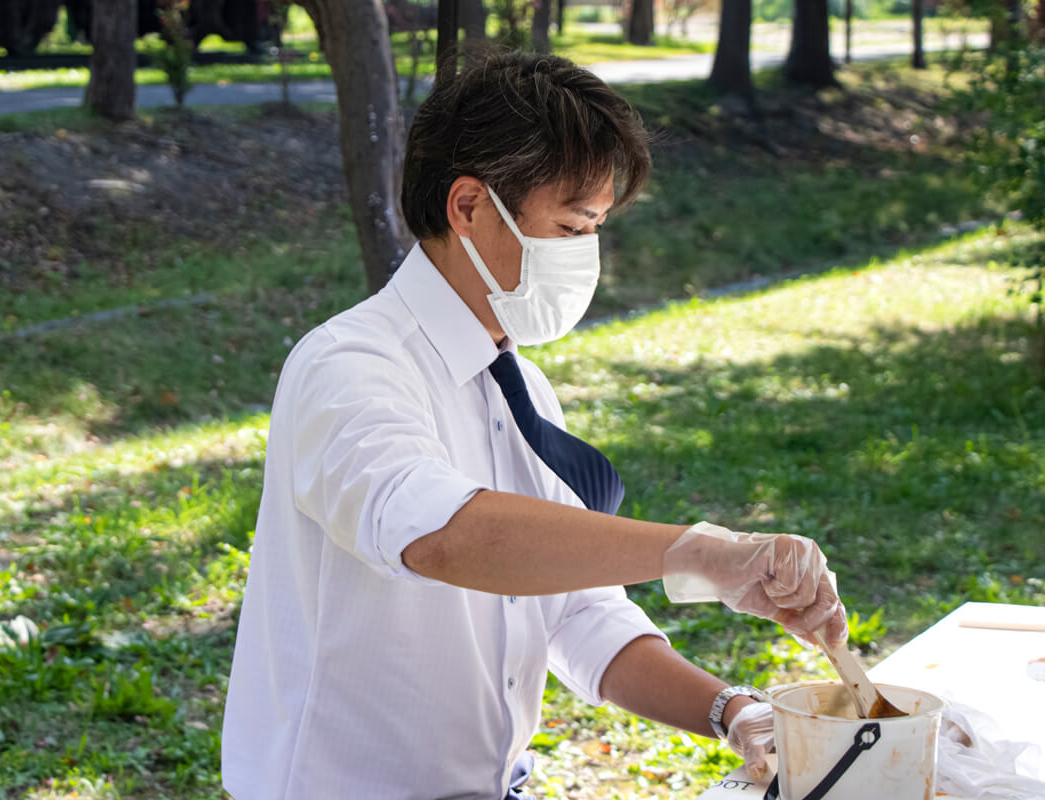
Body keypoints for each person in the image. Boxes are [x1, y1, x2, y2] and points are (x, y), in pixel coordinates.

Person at [221, 50, 848, 800]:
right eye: (572, 225)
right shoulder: (349, 368)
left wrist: (731, 710)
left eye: (597, 229)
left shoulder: (520, 388)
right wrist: (700, 554)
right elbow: (446, 537)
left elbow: (575, 610)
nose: (587, 255)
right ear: (468, 207)